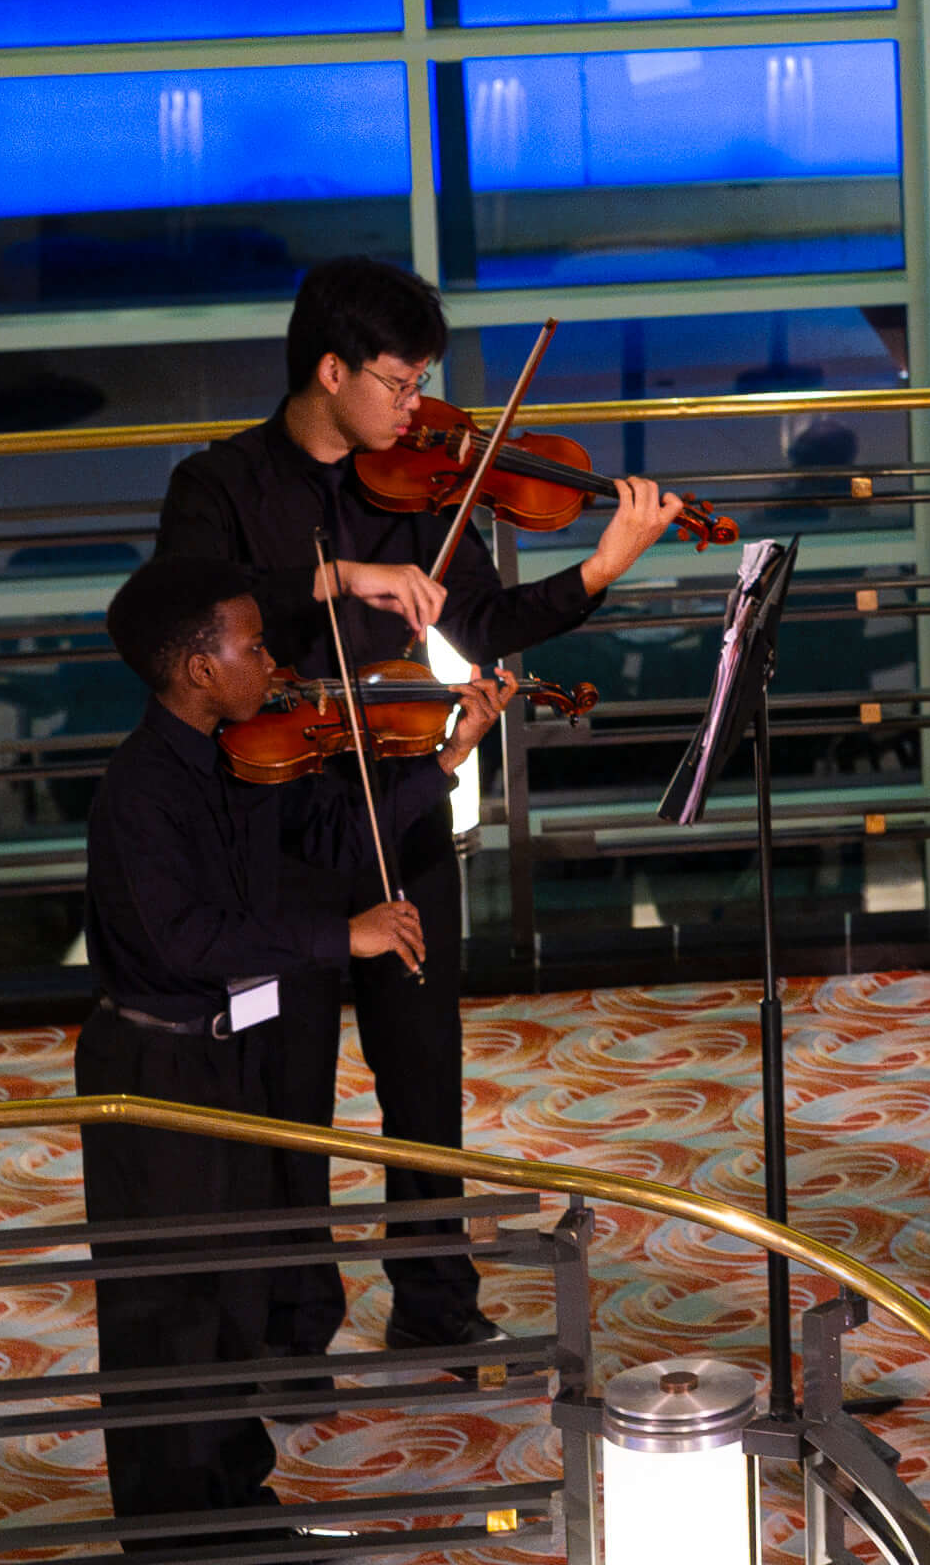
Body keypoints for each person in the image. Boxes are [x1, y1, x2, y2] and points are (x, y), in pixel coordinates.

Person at [149, 254, 676, 1357]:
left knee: (423, 1073)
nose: (416, 404)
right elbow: (187, 612)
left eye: (423, 378)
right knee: (287, 1091)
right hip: (273, 814)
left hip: (399, 790)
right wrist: (343, 577)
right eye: (399, 379)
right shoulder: (221, 483)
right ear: (331, 369)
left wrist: (597, 570)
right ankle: (295, 1323)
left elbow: (484, 619)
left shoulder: (422, 484)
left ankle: (436, 1300)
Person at [74, 555, 455, 1565]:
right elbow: (187, 942)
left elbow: (331, 844)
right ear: (200, 666)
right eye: (252, 646)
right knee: (168, 1321)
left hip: (233, 1057)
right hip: (155, 1076)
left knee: (238, 1305)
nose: (277, 664)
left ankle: (235, 1521)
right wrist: (343, 935)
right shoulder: (141, 792)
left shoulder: (239, 763)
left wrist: (443, 760)